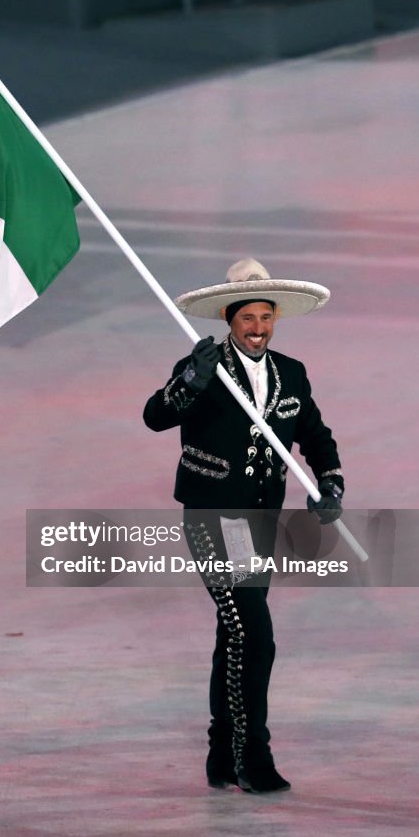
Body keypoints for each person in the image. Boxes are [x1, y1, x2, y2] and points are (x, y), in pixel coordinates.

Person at [143, 258, 344, 794]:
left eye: (266, 318)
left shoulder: (292, 372)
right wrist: (190, 379)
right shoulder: (204, 367)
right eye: (248, 318)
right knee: (255, 635)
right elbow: (156, 415)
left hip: (259, 523)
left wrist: (331, 485)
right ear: (229, 318)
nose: (258, 329)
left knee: (234, 634)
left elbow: (316, 437)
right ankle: (252, 755)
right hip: (212, 516)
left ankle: (220, 755)